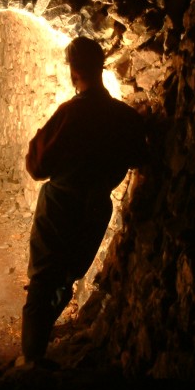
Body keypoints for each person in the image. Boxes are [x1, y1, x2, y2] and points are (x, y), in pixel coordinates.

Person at [21, 36, 148, 366]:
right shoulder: (125, 117)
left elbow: (37, 166)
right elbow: (139, 156)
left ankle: (31, 358)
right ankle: (42, 342)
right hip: (95, 210)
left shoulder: (70, 114)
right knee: (68, 275)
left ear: (73, 70)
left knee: (44, 278)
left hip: (60, 206)